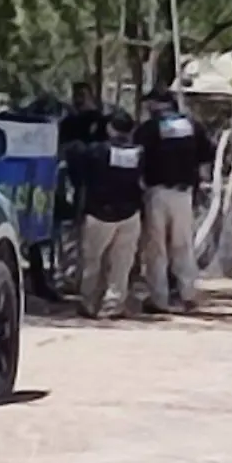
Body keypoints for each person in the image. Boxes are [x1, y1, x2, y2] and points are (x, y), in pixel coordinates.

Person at [137, 88, 211, 312]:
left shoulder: (149, 128)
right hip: (184, 193)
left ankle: (159, 298)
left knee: (156, 247)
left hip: (157, 192)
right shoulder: (192, 126)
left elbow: (138, 158)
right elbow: (205, 159)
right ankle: (187, 293)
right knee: (183, 245)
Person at [68, 112, 144, 319]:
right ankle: (114, 305)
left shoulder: (96, 151)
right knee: (122, 263)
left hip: (99, 213)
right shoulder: (138, 154)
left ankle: (88, 302)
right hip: (130, 213)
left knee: (92, 261)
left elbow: (78, 171)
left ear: (110, 128)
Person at [58, 82, 109, 149]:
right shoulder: (68, 122)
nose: (78, 99)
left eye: (81, 95)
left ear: (91, 97)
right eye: (75, 95)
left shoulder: (102, 121)